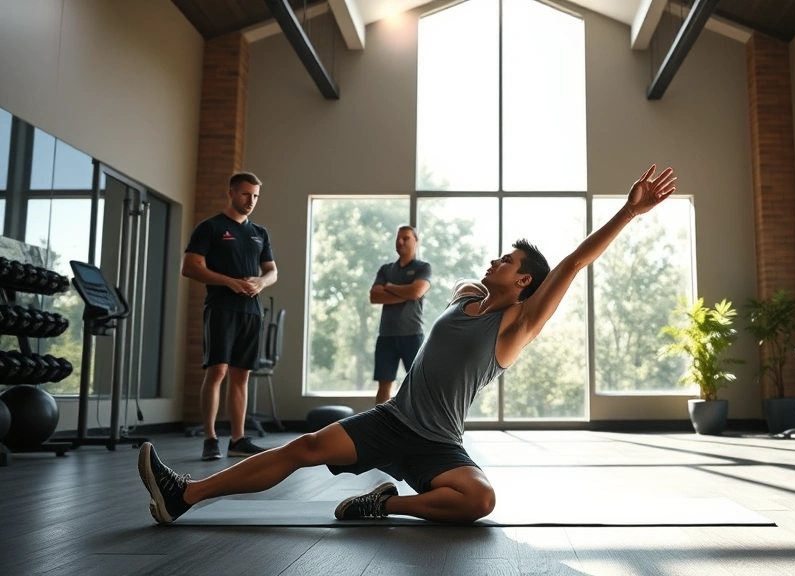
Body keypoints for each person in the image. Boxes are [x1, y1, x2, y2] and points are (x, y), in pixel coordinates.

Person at [139, 164, 676, 525]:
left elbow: (574, 263)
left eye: (506, 262)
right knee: (301, 448)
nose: (495, 262)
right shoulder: (467, 298)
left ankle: (390, 503)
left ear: (525, 283)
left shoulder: (517, 325)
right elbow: (447, 289)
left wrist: (629, 211)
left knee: (480, 498)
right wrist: (469, 288)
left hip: (437, 444)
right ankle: (183, 495)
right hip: (390, 421)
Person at [181, 171, 278, 461]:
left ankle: (237, 440)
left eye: (256, 196)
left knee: (241, 376)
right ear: (232, 193)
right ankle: (210, 439)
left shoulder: (260, 233)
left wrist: (261, 282)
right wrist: (230, 281)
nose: (251, 201)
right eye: (246, 194)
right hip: (221, 308)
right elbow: (190, 267)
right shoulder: (210, 228)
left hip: (251, 311)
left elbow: (272, 271)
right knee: (218, 371)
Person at [370, 225, 432, 404]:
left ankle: (421, 429)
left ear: (416, 241)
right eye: (398, 238)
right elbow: (374, 296)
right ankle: (380, 427)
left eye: (406, 238)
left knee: (418, 385)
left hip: (412, 335)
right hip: (386, 336)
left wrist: (390, 287)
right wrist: (406, 294)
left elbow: (417, 292)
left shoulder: (423, 268)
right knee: (384, 386)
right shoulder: (386, 269)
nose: (400, 242)